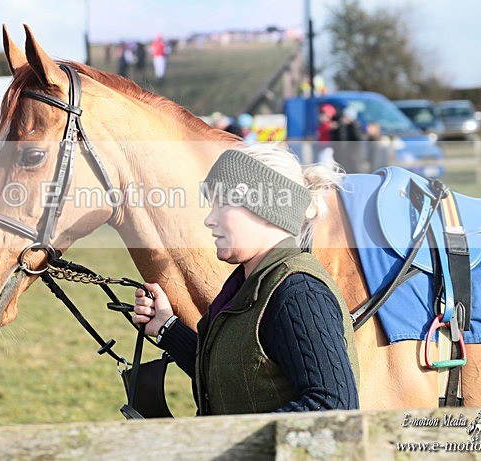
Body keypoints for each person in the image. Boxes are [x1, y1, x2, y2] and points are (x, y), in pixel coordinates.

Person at [133, 145, 360, 415]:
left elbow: (333, 406)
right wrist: (167, 327)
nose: (209, 219)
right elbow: (234, 369)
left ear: (265, 208)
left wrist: (233, 443)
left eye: (223, 204)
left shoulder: (298, 294)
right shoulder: (251, 284)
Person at [329, 107, 364, 173]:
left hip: (351, 154)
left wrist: (354, 152)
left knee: (353, 169)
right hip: (343, 153)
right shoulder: (343, 126)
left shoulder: (354, 126)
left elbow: (357, 140)